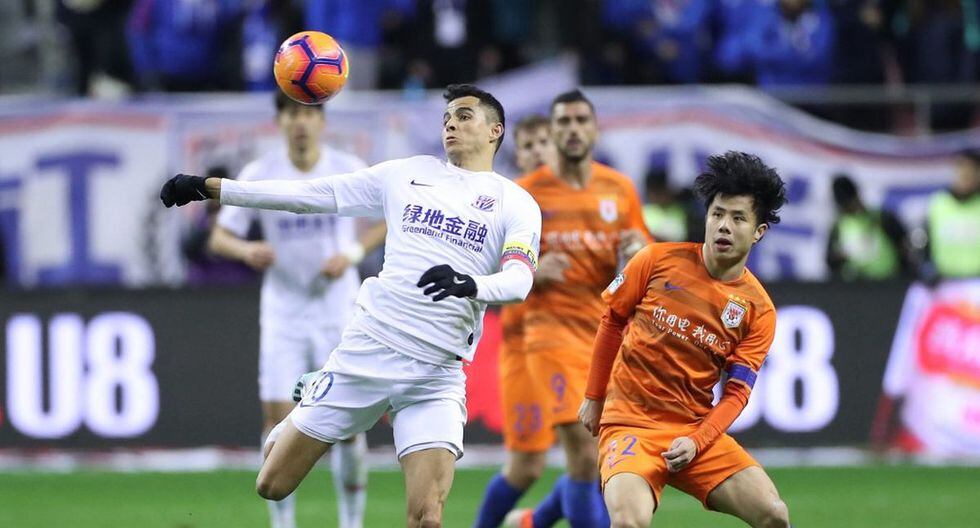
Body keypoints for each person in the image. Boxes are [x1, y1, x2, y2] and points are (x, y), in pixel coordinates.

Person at [160, 84, 542, 528]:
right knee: (272, 482)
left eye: (464, 116)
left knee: (428, 518)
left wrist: (469, 283)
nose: (451, 124)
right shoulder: (407, 174)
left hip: (436, 374)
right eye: (446, 119)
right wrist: (211, 189)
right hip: (369, 352)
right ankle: (317, 392)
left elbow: (519, 280)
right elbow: (307, 196)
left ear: (496, 130)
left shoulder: (517, 203)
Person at [579, 151, 791, 527]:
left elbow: (737, 392)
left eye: (738, 218)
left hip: (692, 431)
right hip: (630, 424)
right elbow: (611, 321)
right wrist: (594, 398)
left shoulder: (758, 309)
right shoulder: (655, 260)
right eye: (718, 214)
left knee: (774, 515)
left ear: (759, 231)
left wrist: (698, 439)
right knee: (629, 522)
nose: (724, 226)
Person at [208, 92, 387, 528]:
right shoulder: (261, 173)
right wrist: (246, 248)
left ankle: (351, 521)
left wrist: (351, 250)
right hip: (284, 311)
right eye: (292, 114)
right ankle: (282, 524)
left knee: (347, 422)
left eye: (309, 113)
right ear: (280, 122)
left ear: (322, 121)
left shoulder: (346, 167)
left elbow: (389, 216)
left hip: (339, 309)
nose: (301, 122)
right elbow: (218, 237)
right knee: (277, 418)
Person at [479, 90, 651, 528]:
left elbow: (643, 253)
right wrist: (532, 274)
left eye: (581, 120)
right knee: (576, 449)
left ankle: (534, 522)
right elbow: (486, 264)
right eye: (564, 122)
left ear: (594, 128)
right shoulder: (523, 196)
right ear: (553, 133)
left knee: (596, 459)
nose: (572, 129)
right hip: (543, 334)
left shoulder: (619, 187)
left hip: (604, 336)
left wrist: (637, 253)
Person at [826, 173, 912, 281]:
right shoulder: (838, 227)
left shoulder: (883, 218)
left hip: (889, 285)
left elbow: (905, 249)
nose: (849, 208)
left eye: (850, 202)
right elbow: (830, 263)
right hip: (857, 290)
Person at [921, 150, 980, 279]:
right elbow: (926, 243)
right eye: (961, 168)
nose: (966, 174)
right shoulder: (937, 204)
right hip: (945, 283)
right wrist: (927, 268)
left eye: (971, 170)